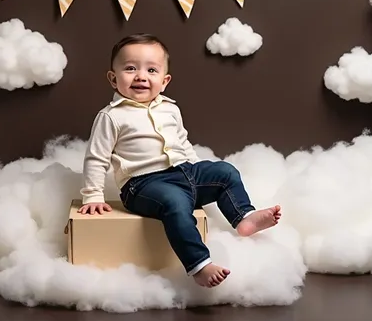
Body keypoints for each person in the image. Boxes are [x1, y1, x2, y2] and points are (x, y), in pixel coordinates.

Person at [78, 33, 281, 288]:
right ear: (113, 78)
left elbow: (181, 142)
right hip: (142, 185)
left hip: (184, 172)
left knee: (225, 171)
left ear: (164, 81)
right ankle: (199, 264)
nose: (141, 76)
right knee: (175, 203)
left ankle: (244, 217)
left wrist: (197, 169)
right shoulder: (112, 116)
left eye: (151, 70)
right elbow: (96, 158)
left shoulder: (170, 109)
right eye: (130, 68)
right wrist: (93, 195)